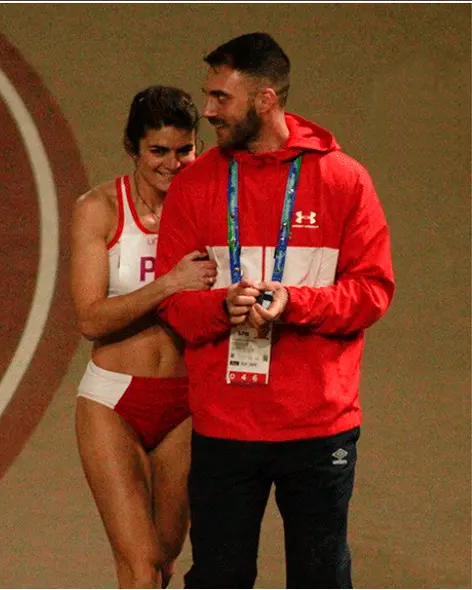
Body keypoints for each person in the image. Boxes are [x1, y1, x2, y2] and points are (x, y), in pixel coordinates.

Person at [154, 33, 395, 588]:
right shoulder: (195, 186)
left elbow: (373, 291)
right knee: (219, 577)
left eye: (222, 98)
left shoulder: (343, 180)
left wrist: (296, 303)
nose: (208, 111)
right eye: (208, 96)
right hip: (225, 425)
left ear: (265, 99)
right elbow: (174, 304)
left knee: (319, 578)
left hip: (317, 427)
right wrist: (221, 306)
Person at [70, 86, 218, 589]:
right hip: (114, 401)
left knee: (166, 553)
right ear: (133, 149)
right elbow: (90, 319)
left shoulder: (212, 209)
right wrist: (171, 283)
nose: (173, 165)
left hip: (187, 403)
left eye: (185, 150)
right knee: (141, 563)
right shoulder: (99, 209)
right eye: (159, 151)